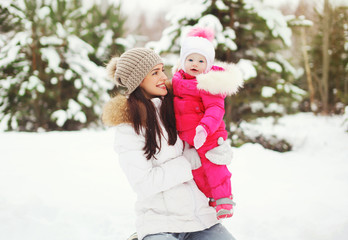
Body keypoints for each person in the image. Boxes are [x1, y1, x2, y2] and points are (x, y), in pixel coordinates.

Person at [102, 48, 235, 240]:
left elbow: (202, 146)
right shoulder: (129, 128)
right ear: (138, 80)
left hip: (200, 220)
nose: (164, 77)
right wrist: (189, 161)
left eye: (162, 70)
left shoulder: (177, 108)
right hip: (158, 223)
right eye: (155, 73)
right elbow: (145, 183)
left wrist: (217, 151)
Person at [172, 27, 243, 219]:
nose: (195, 64)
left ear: (208, 64)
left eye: (201, 60)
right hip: (188, 137)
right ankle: (208, 199)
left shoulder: (208, 83)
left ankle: (224, 201)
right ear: (183, 61)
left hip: (208, 133)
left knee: (214, 165)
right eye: (190, 59)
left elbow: (216, 109)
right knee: (196, 169)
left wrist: (204, 127)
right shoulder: (177, 82)